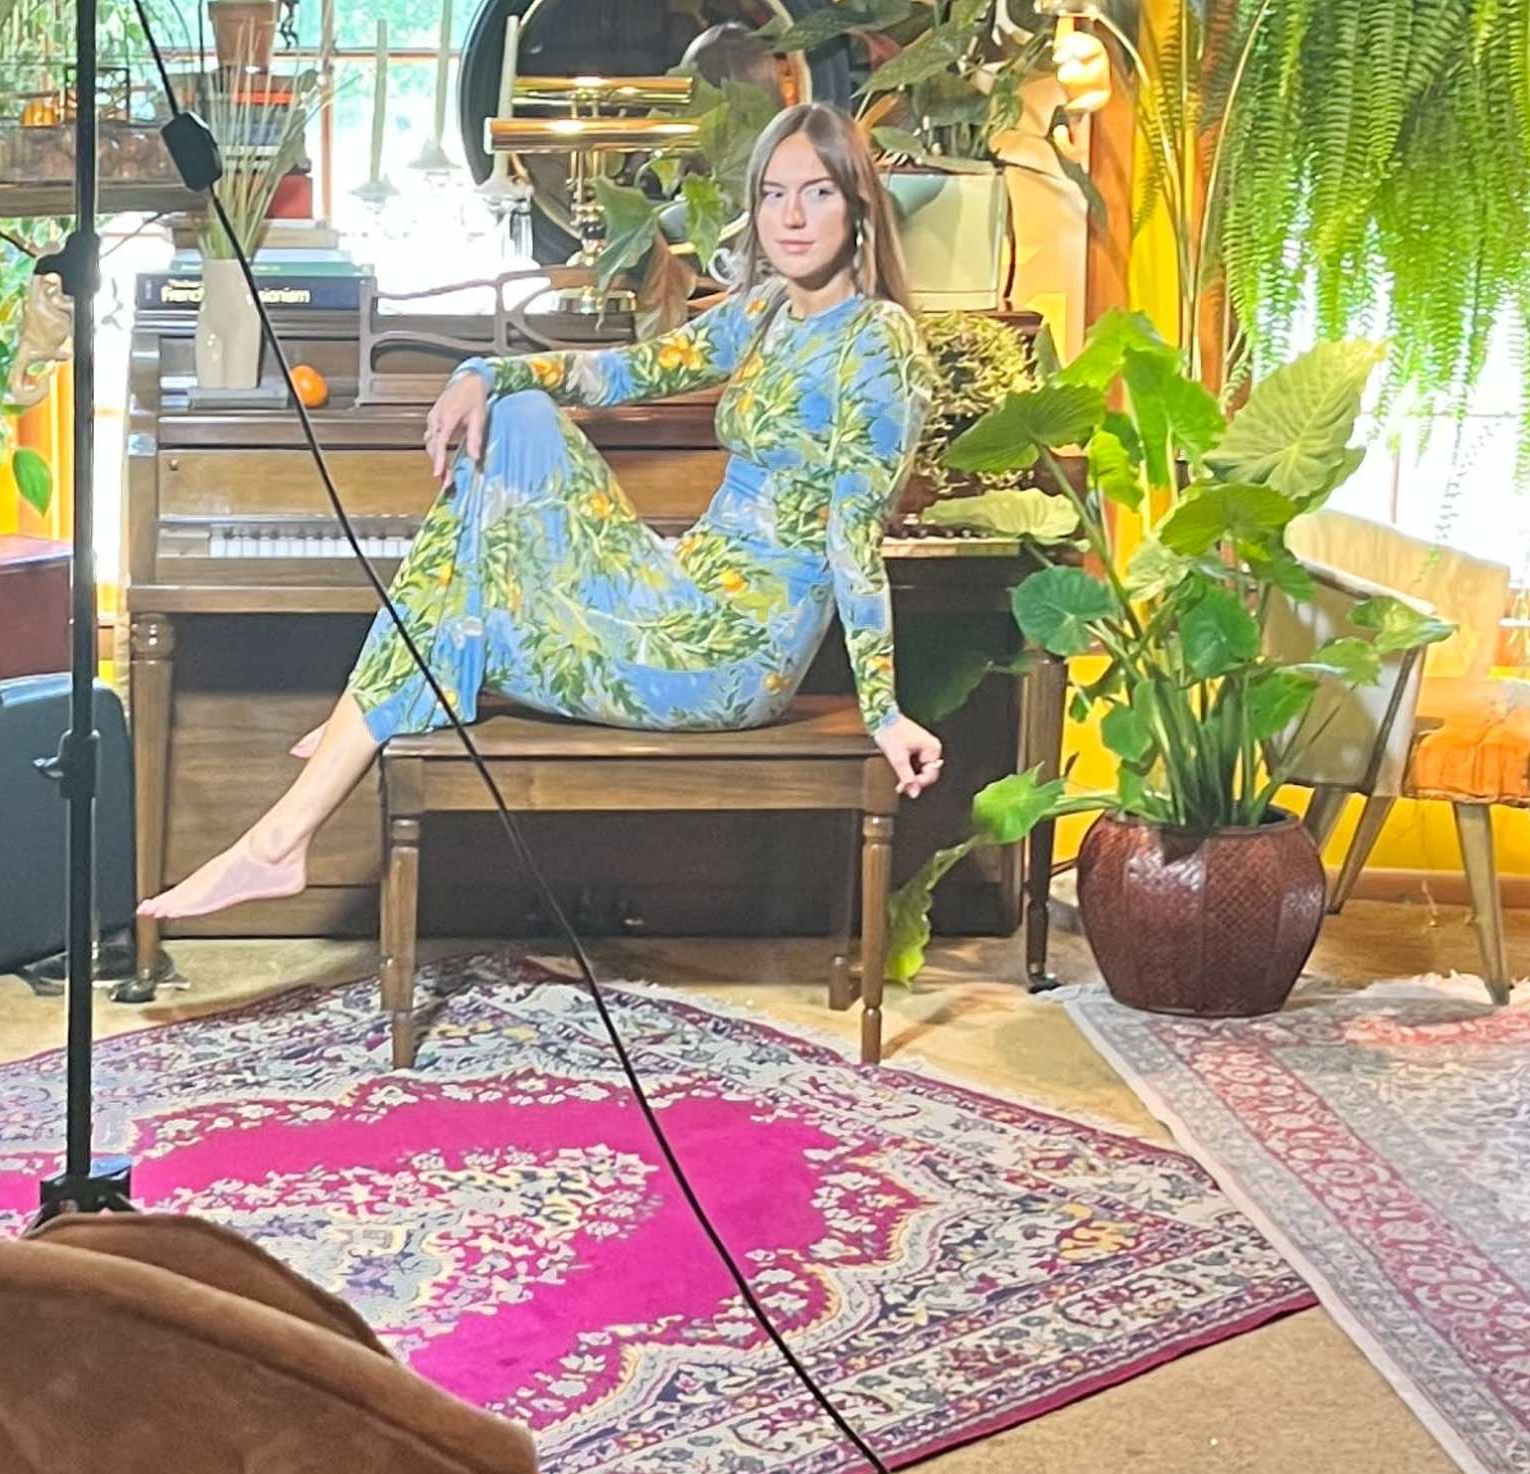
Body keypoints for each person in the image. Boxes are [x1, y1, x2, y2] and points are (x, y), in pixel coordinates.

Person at [143, 100, 942, 922]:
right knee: (516, 415)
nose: (792, 217)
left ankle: (316, 788)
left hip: (734, 652)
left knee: (458, 617)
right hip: (679, 590)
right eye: (774, 194)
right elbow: (629, 373)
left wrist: (881, 710)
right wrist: (486, 370)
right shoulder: (766, 311)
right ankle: (340, 760)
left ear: (858, 206)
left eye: (817, 193)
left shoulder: (879, 342)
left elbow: (855, 535)